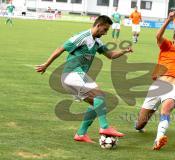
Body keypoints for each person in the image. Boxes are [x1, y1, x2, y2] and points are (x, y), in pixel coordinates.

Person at [36, 15, 133, 143]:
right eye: (105, 30)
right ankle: (104, 127)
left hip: (77, 75)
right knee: (99, 96)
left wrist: (124, 51)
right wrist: (46, 65)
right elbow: (61, 49)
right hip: (71, 74)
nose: (105, 33)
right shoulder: (82, 37)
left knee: (96, 103)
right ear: (98, 26)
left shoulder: (97, 42)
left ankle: (81, 134)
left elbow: (111, 55)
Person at [135, 5, 175, 150]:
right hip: (157, 86)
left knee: (166, 109)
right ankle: (141, 124)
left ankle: (159, 139)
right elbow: (158, 36)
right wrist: (168, 20)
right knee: (140, 124)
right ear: (174, 39)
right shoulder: (166, 46)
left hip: (172, 87)